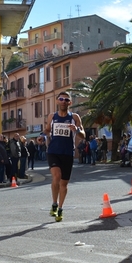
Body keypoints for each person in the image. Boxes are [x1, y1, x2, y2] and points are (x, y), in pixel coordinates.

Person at [47, 91, 85, 222]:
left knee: (64, 183)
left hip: (68, 153)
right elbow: (47, 129)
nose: (63, 101)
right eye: (61, 99)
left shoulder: (75, 117)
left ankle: (60, 208)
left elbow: (83, 135)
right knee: (56, 176)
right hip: (53, 151)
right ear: (57, 101)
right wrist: (42, 136)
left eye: (66, 100)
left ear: (70, 102)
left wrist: (77, 130)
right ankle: (54, 203)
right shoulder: (52, 116)